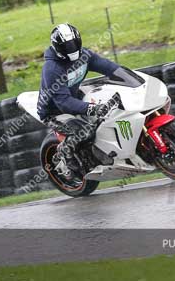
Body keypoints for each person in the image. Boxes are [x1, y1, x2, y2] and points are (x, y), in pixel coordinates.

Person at [37, 23, 120, 177]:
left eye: (73, 44)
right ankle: (65, 151)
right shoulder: (51, 69)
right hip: (55, 110)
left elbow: (107, 66)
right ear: (57, 47)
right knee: (85, 131)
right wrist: (91, 108)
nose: (71, 48)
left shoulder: (84, 56)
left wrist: (126, 74)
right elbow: (64, 103)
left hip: (74, 97)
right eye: (66, 46)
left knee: (108, 111)